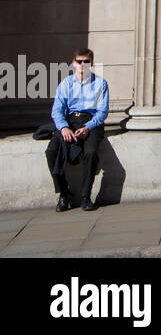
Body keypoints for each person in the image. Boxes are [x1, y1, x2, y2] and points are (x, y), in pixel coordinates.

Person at [46, 48, 109, 212]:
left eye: (86, 61)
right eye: (79, 61)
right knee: (51, 151)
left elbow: (102, 112)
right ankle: (63, 194)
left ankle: (85, 197)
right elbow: (57, 111)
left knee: (90, 152)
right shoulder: (66, 84)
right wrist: (64, 128)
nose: (82, 65)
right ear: (73, 63)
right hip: (70, 121)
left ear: (91, 63)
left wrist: (88, 127)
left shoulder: (100, 83)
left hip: (91, 121)